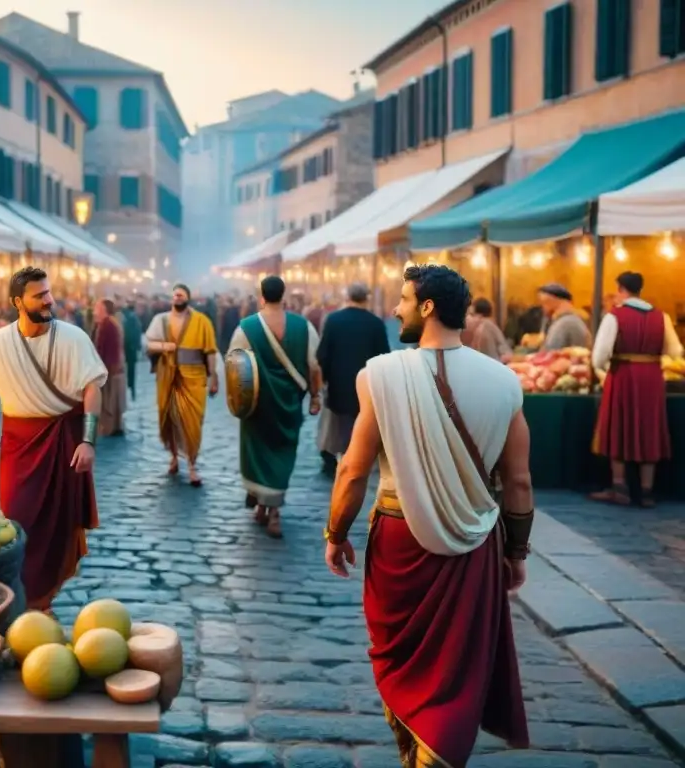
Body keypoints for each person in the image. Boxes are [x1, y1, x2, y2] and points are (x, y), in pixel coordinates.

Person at [324, 264, 532, 768]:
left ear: (427, 307)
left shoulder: (380, 375)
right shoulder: (505, 383)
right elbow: (520, 482)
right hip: (475, 544)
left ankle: (414, 750)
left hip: (400, 536)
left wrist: (336, 532)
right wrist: (517, 553)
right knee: (456, 664)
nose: (395, 308)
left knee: (402, 657)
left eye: (401, 298)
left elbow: (353, 469)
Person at [0, 267, 108, 612]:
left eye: (49, 292)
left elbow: (92, 389)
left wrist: (89, 441)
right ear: (17, 301)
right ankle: (23, 595)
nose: (49, 300)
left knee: (58, 527)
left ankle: (41, 603)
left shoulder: (75, 338)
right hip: (18, 446)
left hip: (64, 444)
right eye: (39, 295)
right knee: (17, 520)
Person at [228, 276, 321, 538]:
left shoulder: (247, 327)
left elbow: (234, 365)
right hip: (289, 404)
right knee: (282, 454)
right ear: (284, 295)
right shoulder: (303, 327)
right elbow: (314, 366)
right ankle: (271, 510)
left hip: (257, 406)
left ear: (261, 295)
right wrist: (315, 397)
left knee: (257, 453)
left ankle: (264, 507)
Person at [591, 271, 683, 507]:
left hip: (622, 375)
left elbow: (600, 355)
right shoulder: (661, 317)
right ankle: (647, 491)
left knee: (619, 426)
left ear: (621, 288)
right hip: (652, 378)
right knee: (649, 428)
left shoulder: (615, 316)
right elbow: (675, 352)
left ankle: (619, 488)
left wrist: (603, 372)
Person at [144, 283, 219, 486]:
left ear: (188, 298)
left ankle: (192, 465)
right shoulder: (161, 320)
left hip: (193, 378)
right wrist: (165, 346)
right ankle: (175, 457)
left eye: (181, 295)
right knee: (169, 419)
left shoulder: (202, 322)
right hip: (167, 377)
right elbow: (149, 344)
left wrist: (214, 376)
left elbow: (210, 351)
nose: (177, 298)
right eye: (175, 295)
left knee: (192, 422)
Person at [316, 282, 390, 474]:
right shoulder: (375, 323)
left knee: (335, 424)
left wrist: (322, 381)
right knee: (361, 421)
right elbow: (383, 356)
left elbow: (323, 354)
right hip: (366, 385)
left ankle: (332, 456)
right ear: (366, 298)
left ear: (347, 297)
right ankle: (358, 455)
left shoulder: (333, 320)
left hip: (337, 384)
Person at [93, 298, 127, 437]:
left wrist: (105, 369)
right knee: (112, 399)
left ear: (104, 310)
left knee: (109, 400)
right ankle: (114, 426)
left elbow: (110, 350)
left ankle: (109, 428)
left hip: (110, 368)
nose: (95, 311)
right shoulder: (107, 324)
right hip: (111, 367)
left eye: (97, 308)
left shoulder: (109, 325)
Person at [538, 284, 592, 350]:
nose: (542, 307)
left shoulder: (563, 324)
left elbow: (550, 352)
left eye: (544, 303)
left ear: (552, 302)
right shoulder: (574, 320)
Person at [121, 301, 143, 401]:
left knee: (128, 370)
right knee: (131, 370)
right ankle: (131, 388)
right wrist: (137, 346)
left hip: (127, 347)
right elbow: (136, 333)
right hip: (131, 348)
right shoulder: (134, 319)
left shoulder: (127, 319)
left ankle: (130, 388)